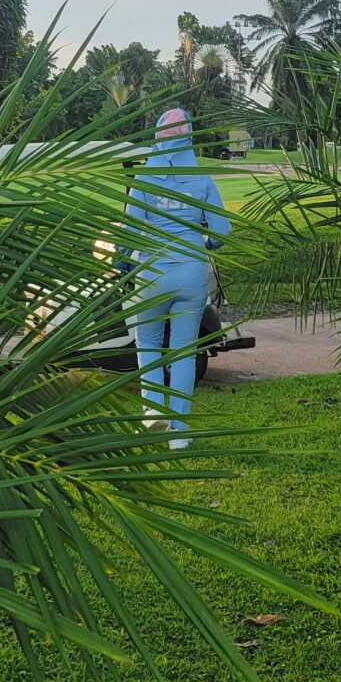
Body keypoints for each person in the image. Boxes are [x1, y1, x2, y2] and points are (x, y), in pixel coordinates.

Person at [125, 108, 230, 447]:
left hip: (152, 273)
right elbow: (220, 233)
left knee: (149, 342)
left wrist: (123, 264)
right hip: (191, 273)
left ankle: (153, 411)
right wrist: (206, 240)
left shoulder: (143, 178)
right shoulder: (203, 179)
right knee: (183, 351)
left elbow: (128, 233)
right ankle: (179, 435)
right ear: (190, 137)